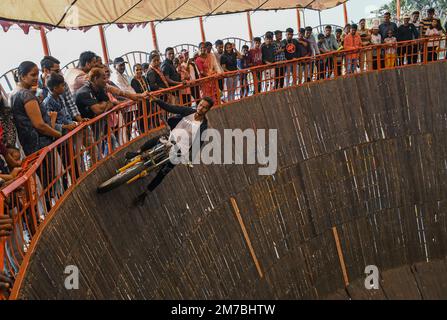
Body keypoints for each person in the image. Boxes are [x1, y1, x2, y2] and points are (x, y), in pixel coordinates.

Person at [129, 96, 214, 207]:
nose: (200, 108)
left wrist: (190, 159)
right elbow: (171, 108)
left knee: (163, 173)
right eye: (200, 105)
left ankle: (146, 193)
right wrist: (157, 100)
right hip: (171, 138)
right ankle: (138, 152)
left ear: (207, 110)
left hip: (180, 150)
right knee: (155, 140)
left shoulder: (203, 126)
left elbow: (198, 144)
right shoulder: (188, 111)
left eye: (204, 107)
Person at [10, 61, 62, 156]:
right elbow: (40, 125)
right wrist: (58, 134)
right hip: (41, 145)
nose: (36, 78)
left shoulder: (14, 93)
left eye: (37, 74)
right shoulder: (26, 95)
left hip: (29, 145)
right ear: (22, 77)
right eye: (33, 75)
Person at [39, 56, 85, 123]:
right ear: (46, 70)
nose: (60, 73)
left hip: (68, 122)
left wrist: (80, 122)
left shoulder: (62, 83)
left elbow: (70, 104)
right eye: (56, 71)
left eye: (59, 70)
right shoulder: (36, 89)